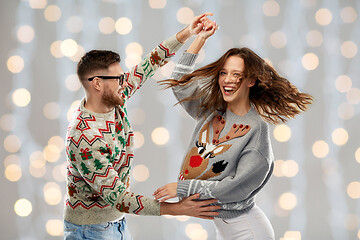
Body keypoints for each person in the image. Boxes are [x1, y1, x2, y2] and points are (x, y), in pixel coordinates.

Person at [64, 13, 221, 240]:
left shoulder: (115, 97)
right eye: (118, 78)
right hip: (91, 230)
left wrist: (190, 32)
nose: (124, 82)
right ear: (97, 83)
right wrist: (177, 209)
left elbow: (151, 62)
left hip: (115, 223)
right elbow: (118, 197)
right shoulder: (85, 137)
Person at [154, 32, 313, 239]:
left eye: (237, 75)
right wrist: (200, 38)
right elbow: (180, 82)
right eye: (223, 73)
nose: (227, 80)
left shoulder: (256, 130)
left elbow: (233, 188)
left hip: (247, 230)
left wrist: (182, 188)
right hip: (225, 228)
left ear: (251, 81)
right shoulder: (212, 111)